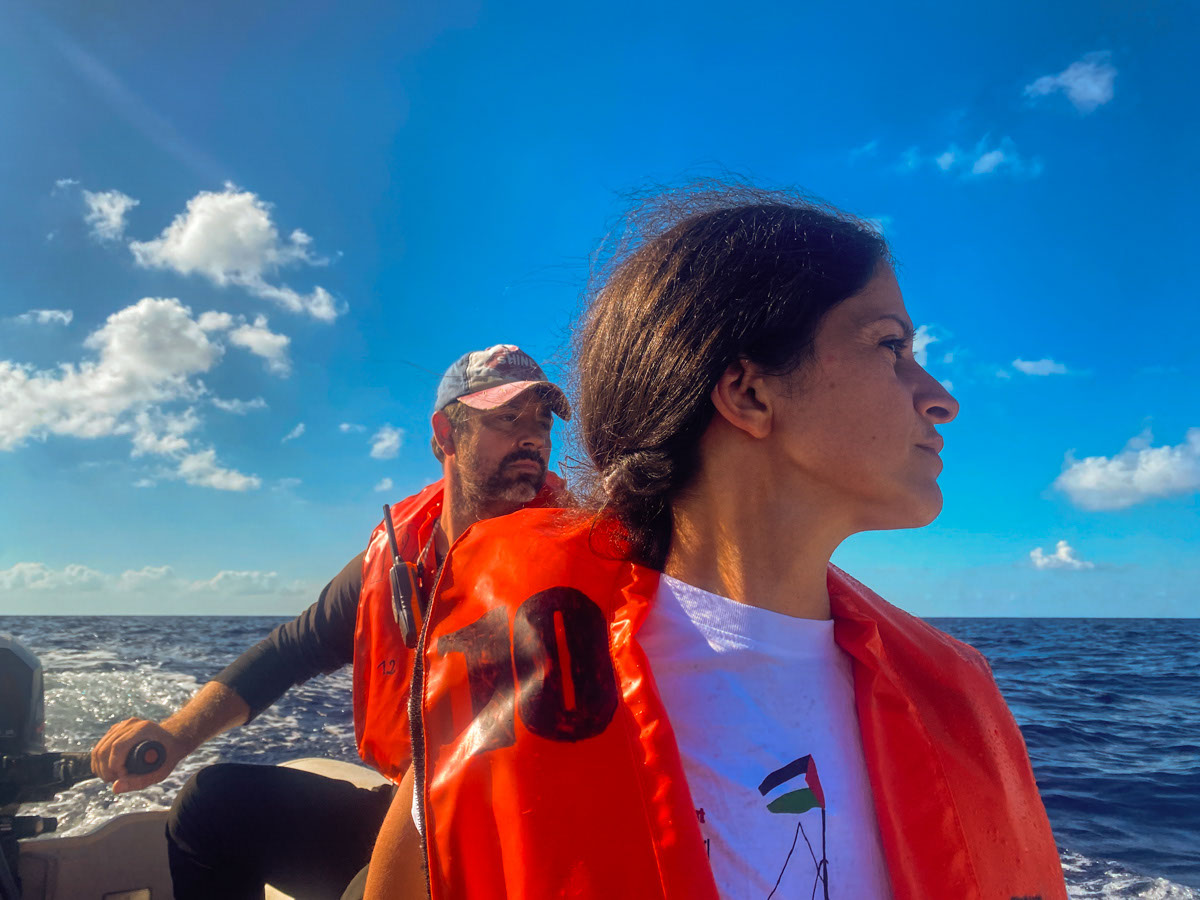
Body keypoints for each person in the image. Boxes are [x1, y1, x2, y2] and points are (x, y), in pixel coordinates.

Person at [362, 188, 1068, 900]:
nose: (940, 395)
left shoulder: (947, 694)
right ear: (748, 393)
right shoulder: (531, 678)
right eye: (891, 346)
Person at [90, 344, 570, 900]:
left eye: (541, 422)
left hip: (522, 839)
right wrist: (177, 733)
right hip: (412, 811)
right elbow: (289, 651)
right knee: (210, 807)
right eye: (507, 419)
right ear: (444, 434)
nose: (533, 437)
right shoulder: (393, 563)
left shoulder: (577, 558)